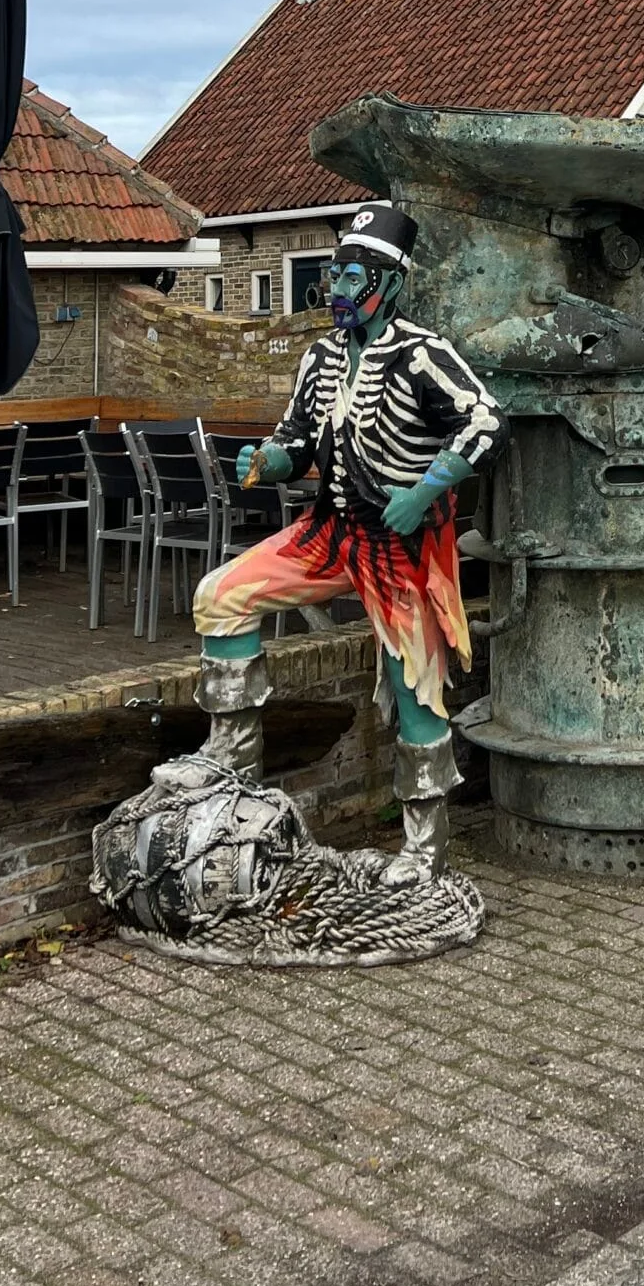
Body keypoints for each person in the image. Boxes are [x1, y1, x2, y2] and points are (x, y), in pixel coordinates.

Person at [189, 204, 504, 886]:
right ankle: (231, 775)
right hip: (330, 533)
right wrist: (267, 460)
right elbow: (298, 440)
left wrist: (424, 490)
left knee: (413, 684)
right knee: (221, 596)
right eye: (332, 276)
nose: (336, 290)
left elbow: (485, 421)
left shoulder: (422, 352)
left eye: (350, 276)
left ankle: (425, 848)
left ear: (388, 282)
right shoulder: (322, 356)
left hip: (401, 547)